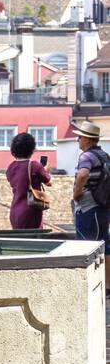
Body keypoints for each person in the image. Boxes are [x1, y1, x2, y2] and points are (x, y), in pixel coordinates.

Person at [71, 120, 110, 287]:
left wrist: (76, 193)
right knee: (105, 245)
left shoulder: (86, 156)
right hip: (103, 206)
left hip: (88, 207)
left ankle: (89, 285)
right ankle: (107, 286)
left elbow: (82, 175)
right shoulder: (104, 155)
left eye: (79, 137)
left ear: (87, 139)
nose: (78, 140)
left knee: (87, 246)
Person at [7, 132, 51, 230]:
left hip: (15, 211)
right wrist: (45, 170)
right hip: (30, 210)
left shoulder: (10, 167)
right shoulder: (35, 166)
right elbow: (49, 182)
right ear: (31, 149)